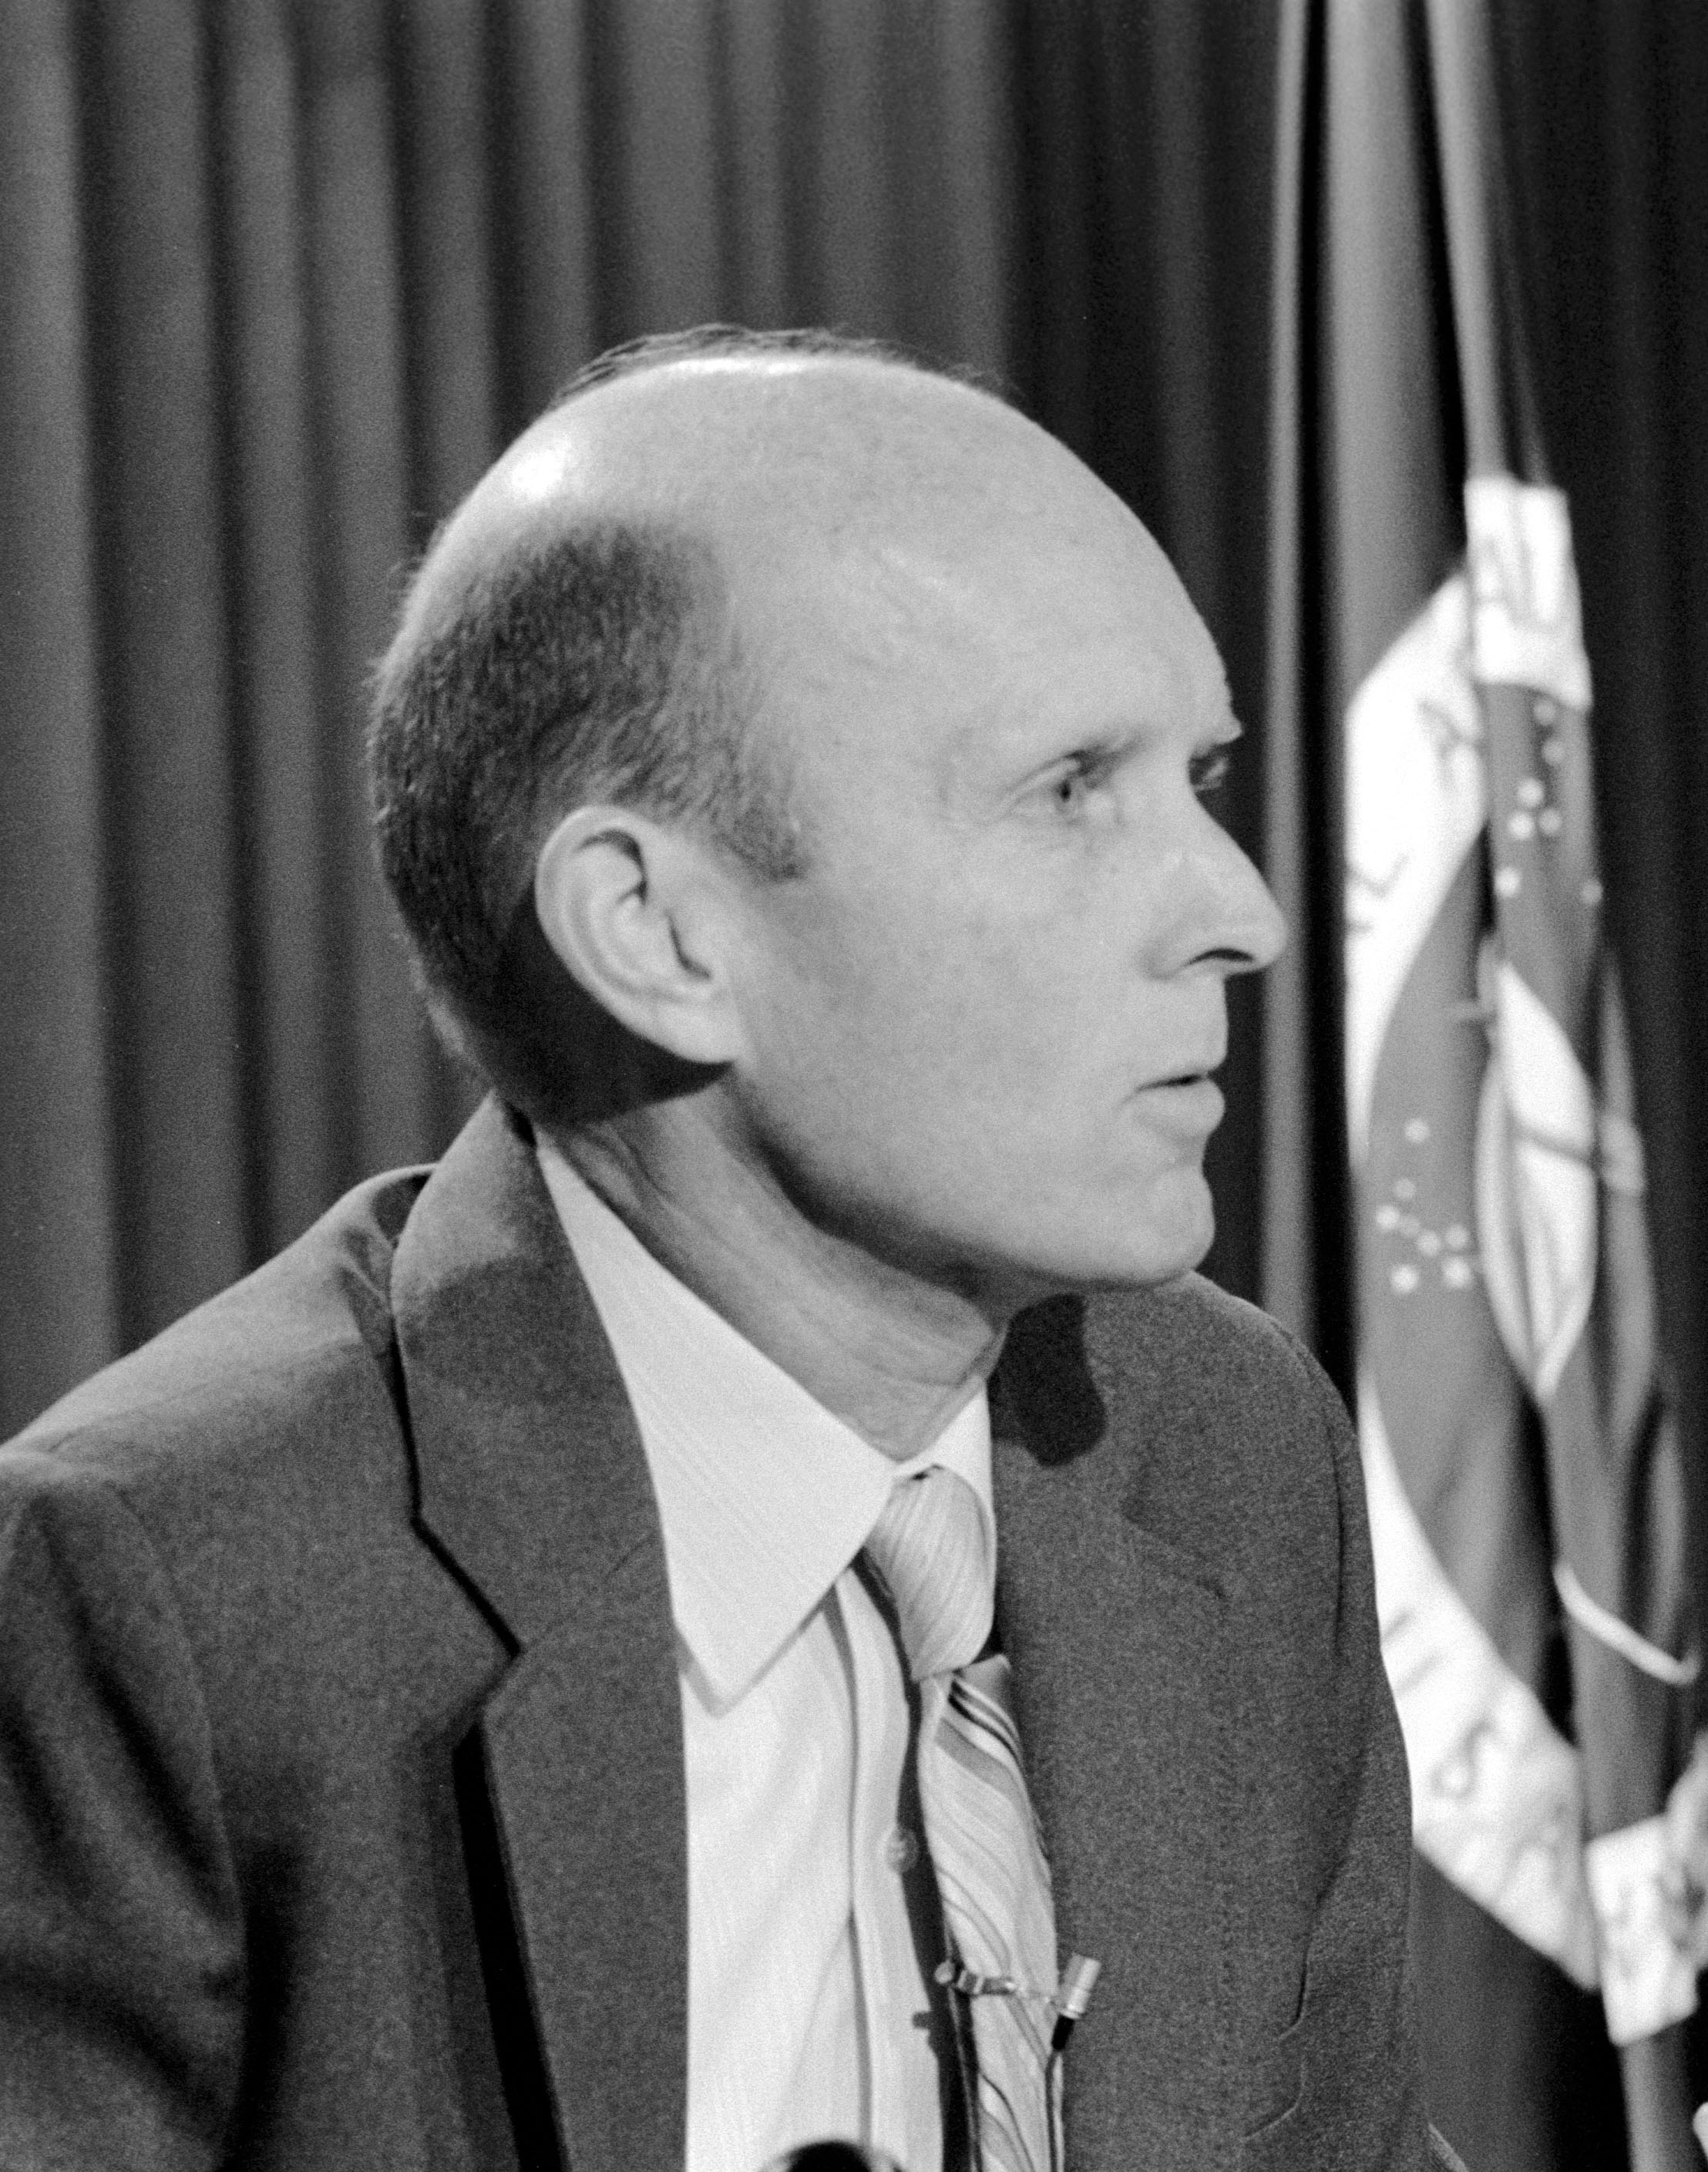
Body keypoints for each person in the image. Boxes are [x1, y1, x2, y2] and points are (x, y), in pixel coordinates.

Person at [0, 329, 1447, 2172]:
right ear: (659, 933)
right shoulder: (176, 1584)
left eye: (1203, 776)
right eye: (1073, 786)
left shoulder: (1224, 1444)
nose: (1237, 912)